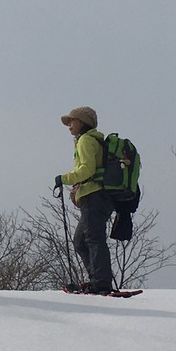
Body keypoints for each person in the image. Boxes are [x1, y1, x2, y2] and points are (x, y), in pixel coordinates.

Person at [57, 106, 117, 293]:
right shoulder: (95, 141)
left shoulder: (85, 140)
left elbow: (87, 169)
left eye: (72, 121)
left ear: (82, 122)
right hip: (100, 196)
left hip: (94, 196)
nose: (69, 126)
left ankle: (101, 283)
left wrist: (63, 179)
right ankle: (97, 280)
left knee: (93, 238)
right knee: (81, 241)